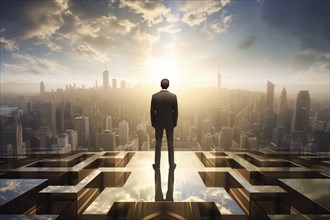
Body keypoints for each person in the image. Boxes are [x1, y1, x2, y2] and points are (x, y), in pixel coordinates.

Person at [150, 78, 178, 169]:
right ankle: (171, 164)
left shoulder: (154, 96)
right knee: (170, 143)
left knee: (158, 143)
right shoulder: (173, 96)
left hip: (158, 123)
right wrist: (174, 123)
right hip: (170, 123)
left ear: (160, 85)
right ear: (168, 85)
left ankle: (157, 164)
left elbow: (152, 112)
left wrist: (153, 123)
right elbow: (176, 112)